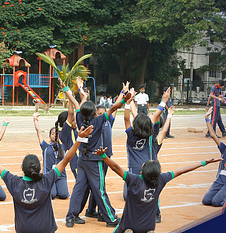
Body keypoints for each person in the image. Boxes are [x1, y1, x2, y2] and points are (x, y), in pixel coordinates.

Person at [0, 124, 94, 233]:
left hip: (23, 229)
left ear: (22, 169)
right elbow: (66, 159)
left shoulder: (14, 182)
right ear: (39, 168)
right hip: (46, 229)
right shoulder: (46, 180)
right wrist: (79, 140)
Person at [93, 146, 221, 233]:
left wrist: (103, 156)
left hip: (128, 226)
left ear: (142, 171)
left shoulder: (134, 180)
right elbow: (182, 170)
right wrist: (204, 162)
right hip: (148, 227)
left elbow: (115, 168)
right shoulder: (161, 180)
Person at [63, 77, 132, 228]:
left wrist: (71, 91)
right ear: (94, 112)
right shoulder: (98, 121)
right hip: (95, 161)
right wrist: (124, 99)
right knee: (100, 190)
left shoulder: (80, 119)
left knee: (79, 189)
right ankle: (111, 218)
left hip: (83, 159)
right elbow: (113, 108)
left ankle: (71, 216)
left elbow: (77, 106)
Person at [33, 112, 69, 199]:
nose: (54, 135)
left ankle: (58, 187)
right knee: (51, 195)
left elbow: (68, 131)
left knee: (63, 195)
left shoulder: (63, 146)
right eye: (52, 134)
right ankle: (44, 185)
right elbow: (38, 131)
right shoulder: (45, 146)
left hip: (61, 176)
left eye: (56, 133)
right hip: (48, 176)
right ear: (49, 135)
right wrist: (35, 119)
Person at [202, 107, 226, 207]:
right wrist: (207, 118)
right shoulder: (224, 149)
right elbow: (212, 134)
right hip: (219, 180)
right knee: (206, 201)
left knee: (216, 202)